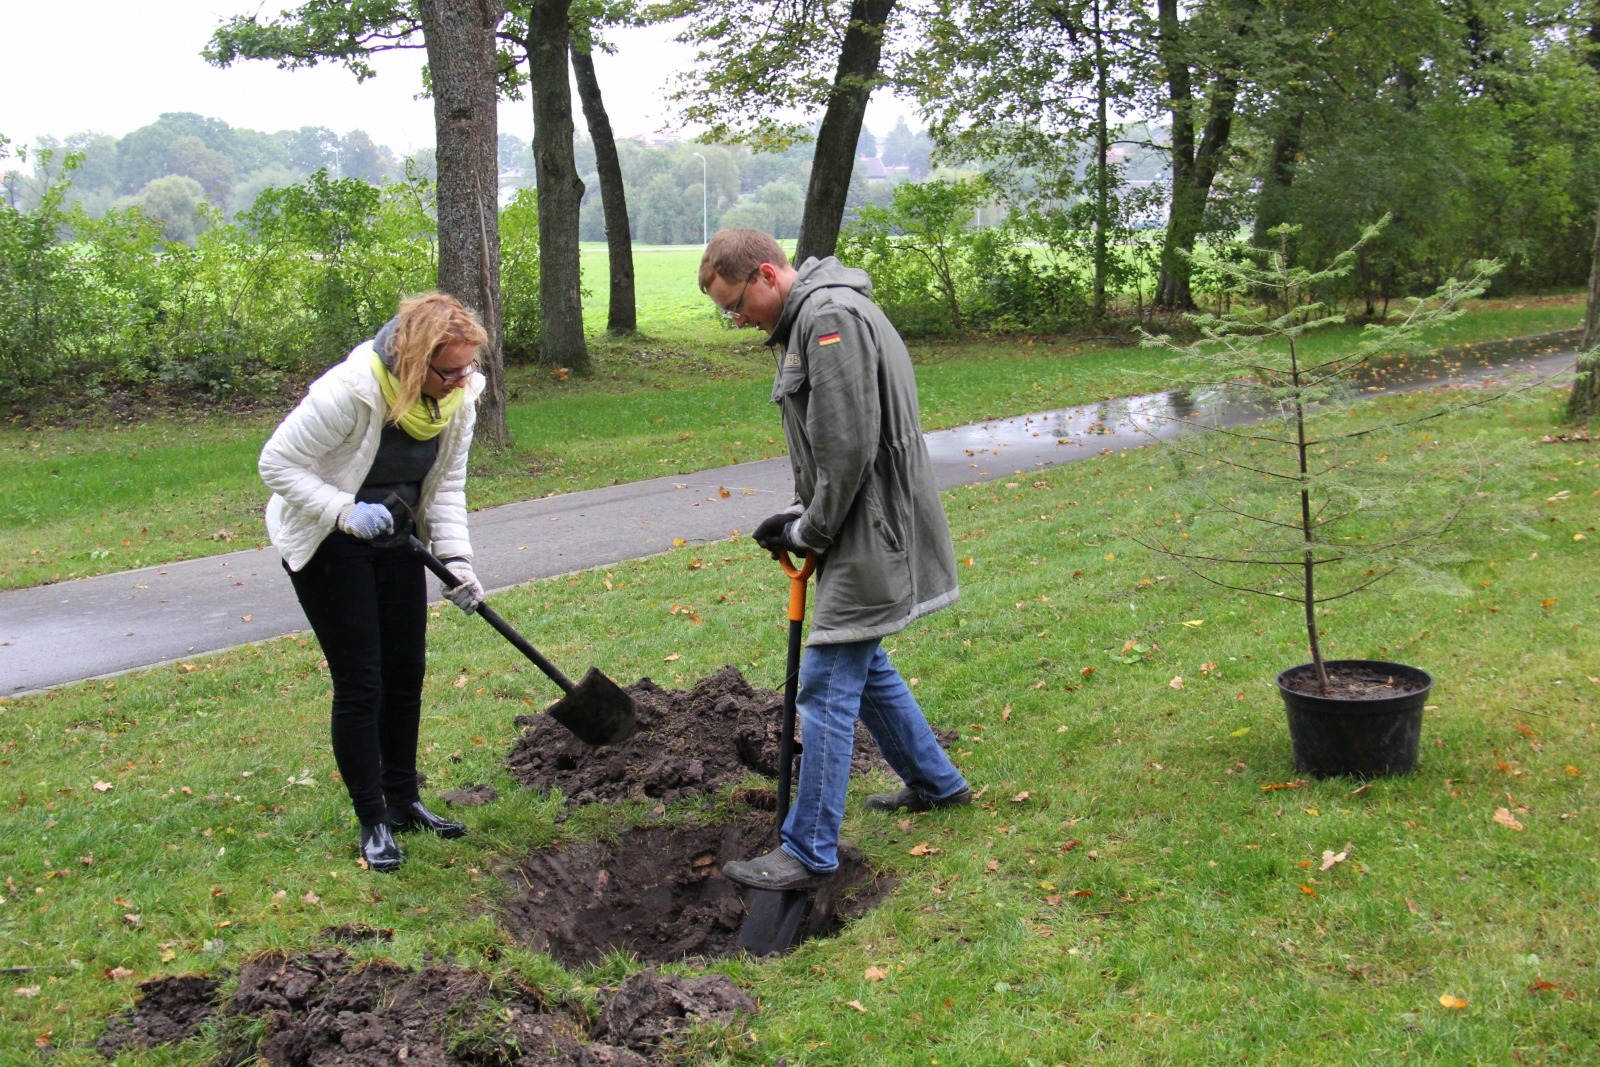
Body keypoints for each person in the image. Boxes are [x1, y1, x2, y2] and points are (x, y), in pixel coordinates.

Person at [699, 230, 971, 892]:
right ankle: (938, 784)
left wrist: (808, 531)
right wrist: (801, 517)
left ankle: (808, 847)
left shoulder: (828, 319)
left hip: (866, 525)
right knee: (863, 661)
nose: (736, 321)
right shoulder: (815, 315)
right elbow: (829, 444)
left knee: (824, 679)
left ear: (766, 273)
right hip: (857, 520)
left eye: (736, 304)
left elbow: (847, 450)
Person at [259, 292, 489, 872]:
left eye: (469, 366)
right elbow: (277, 463)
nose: (464, 379)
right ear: (415, 360)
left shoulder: (458, 400)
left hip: (397, 537)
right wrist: (343, 510)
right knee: (363, 681)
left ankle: (405, 798)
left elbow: (449, 487)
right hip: (330, 539)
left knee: (406, 670)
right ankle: (373, 821)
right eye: (451, 369)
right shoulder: (350, 390)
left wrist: (458, 562)